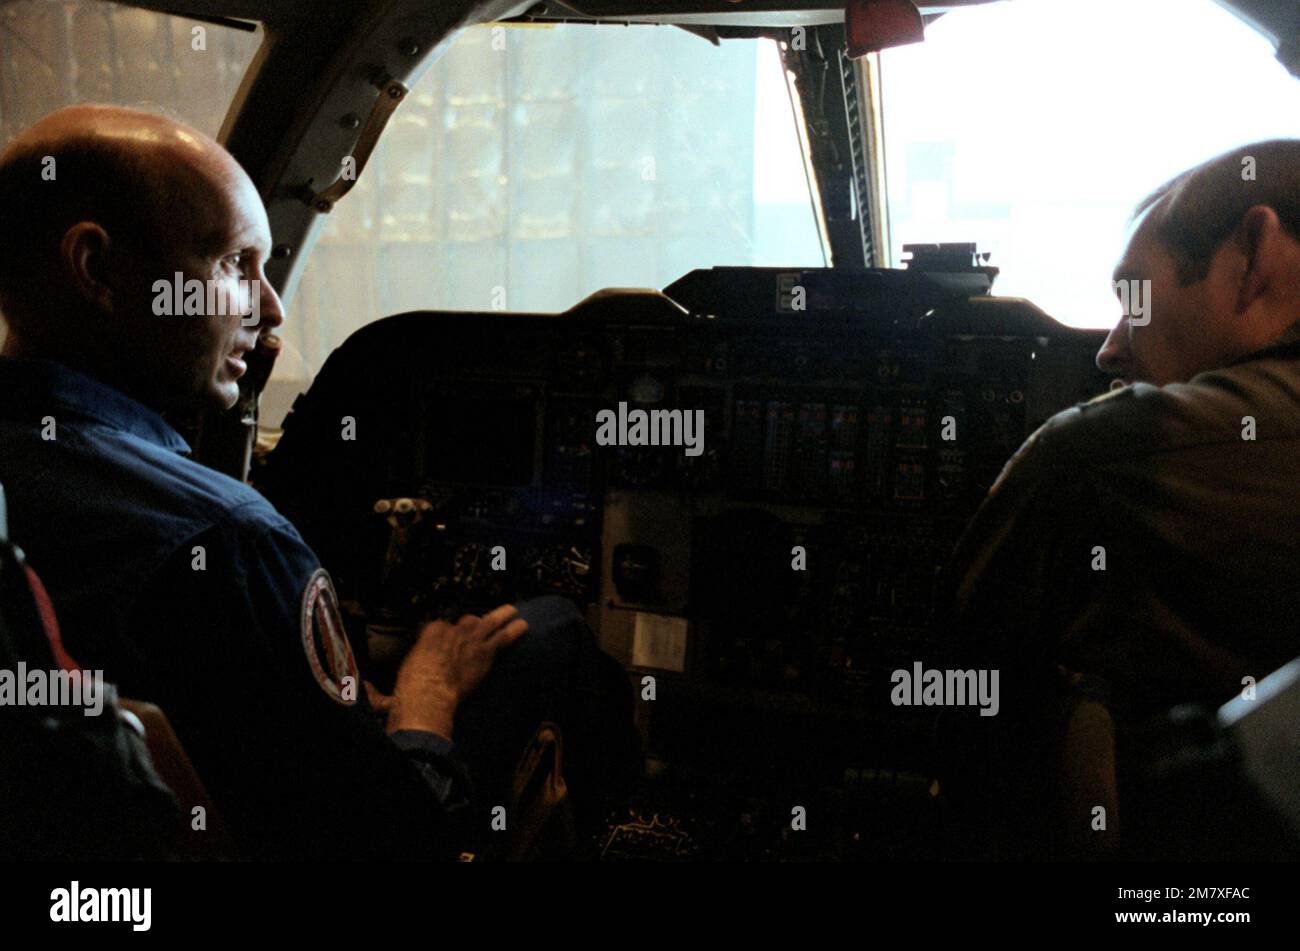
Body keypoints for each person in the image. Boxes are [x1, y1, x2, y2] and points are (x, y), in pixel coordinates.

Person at [0, 105, 633, 859]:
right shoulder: (228, 538)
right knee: (554, 630)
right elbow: (393, 843)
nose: (271, 308)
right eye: (236, 264)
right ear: (98, 268)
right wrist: (426, 703)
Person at [937, 139, 1300, 855]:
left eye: (1133, 295)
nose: (1108, 348)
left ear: (1255, 255)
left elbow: (965, 680)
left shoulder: (1098, 460)